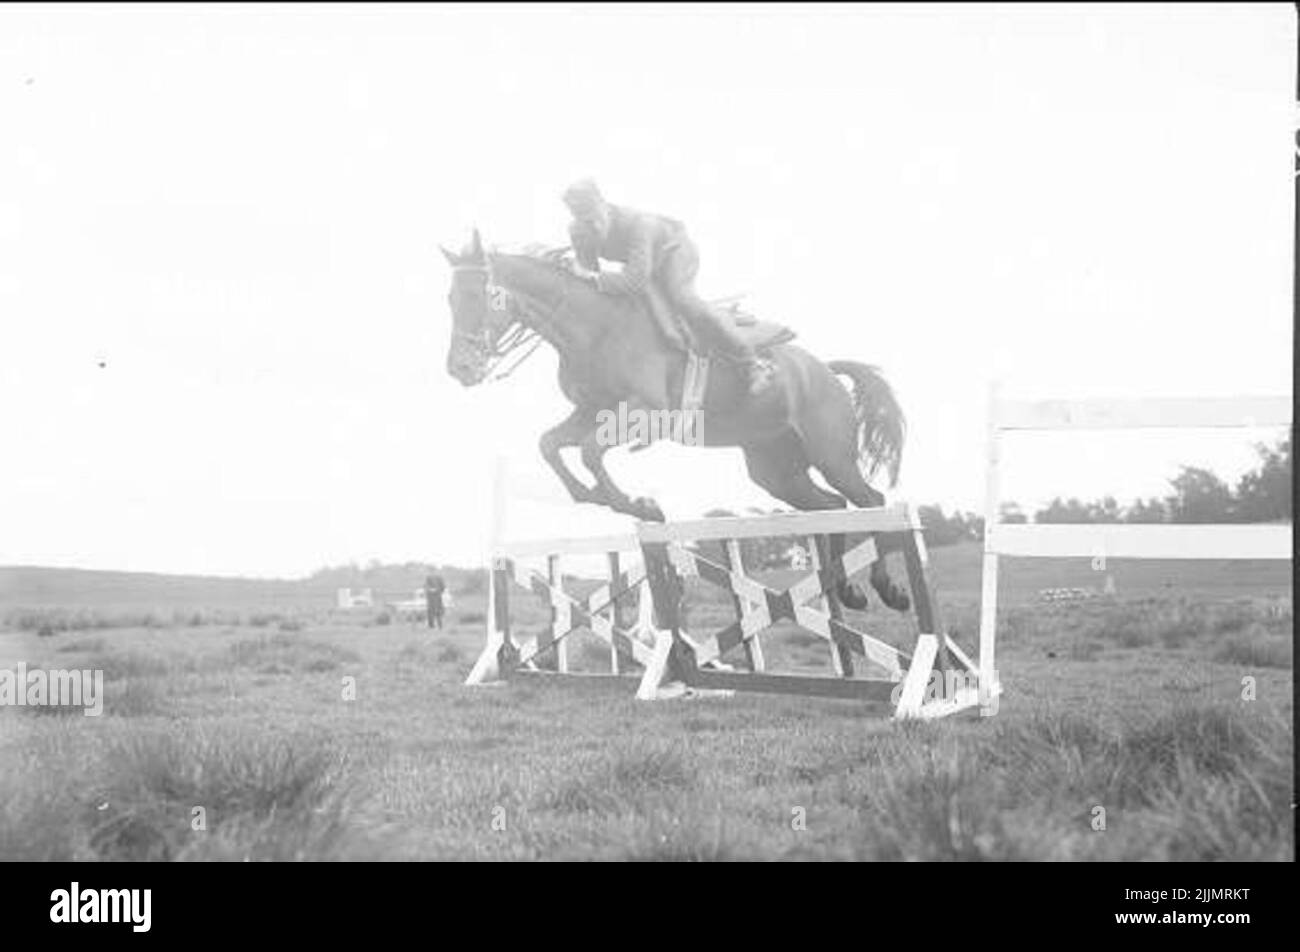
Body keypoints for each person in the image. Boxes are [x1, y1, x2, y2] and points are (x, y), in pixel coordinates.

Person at [561, 179, 773, 395]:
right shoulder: (579, 231)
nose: (592, 226)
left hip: (674, 252)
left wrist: (590, 276)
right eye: (584, 220)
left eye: (594, 218)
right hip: (643, 264)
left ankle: (753, 362)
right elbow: (589, 280)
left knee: (682, 298)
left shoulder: (641, 224)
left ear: (603, 204)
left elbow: (633, 281)